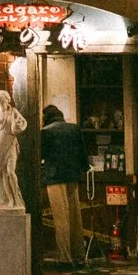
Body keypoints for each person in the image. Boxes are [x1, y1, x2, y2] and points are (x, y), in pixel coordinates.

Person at [39, 104, 88, 266]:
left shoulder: (46, 132)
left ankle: (65, 258)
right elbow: (82, 153)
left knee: (61, 220)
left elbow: (42, 155)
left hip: (55, 178)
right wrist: (82, 169)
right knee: (75, 218)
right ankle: (79, 255)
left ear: (46, 117)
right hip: (73, 176)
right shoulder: (74, 129)